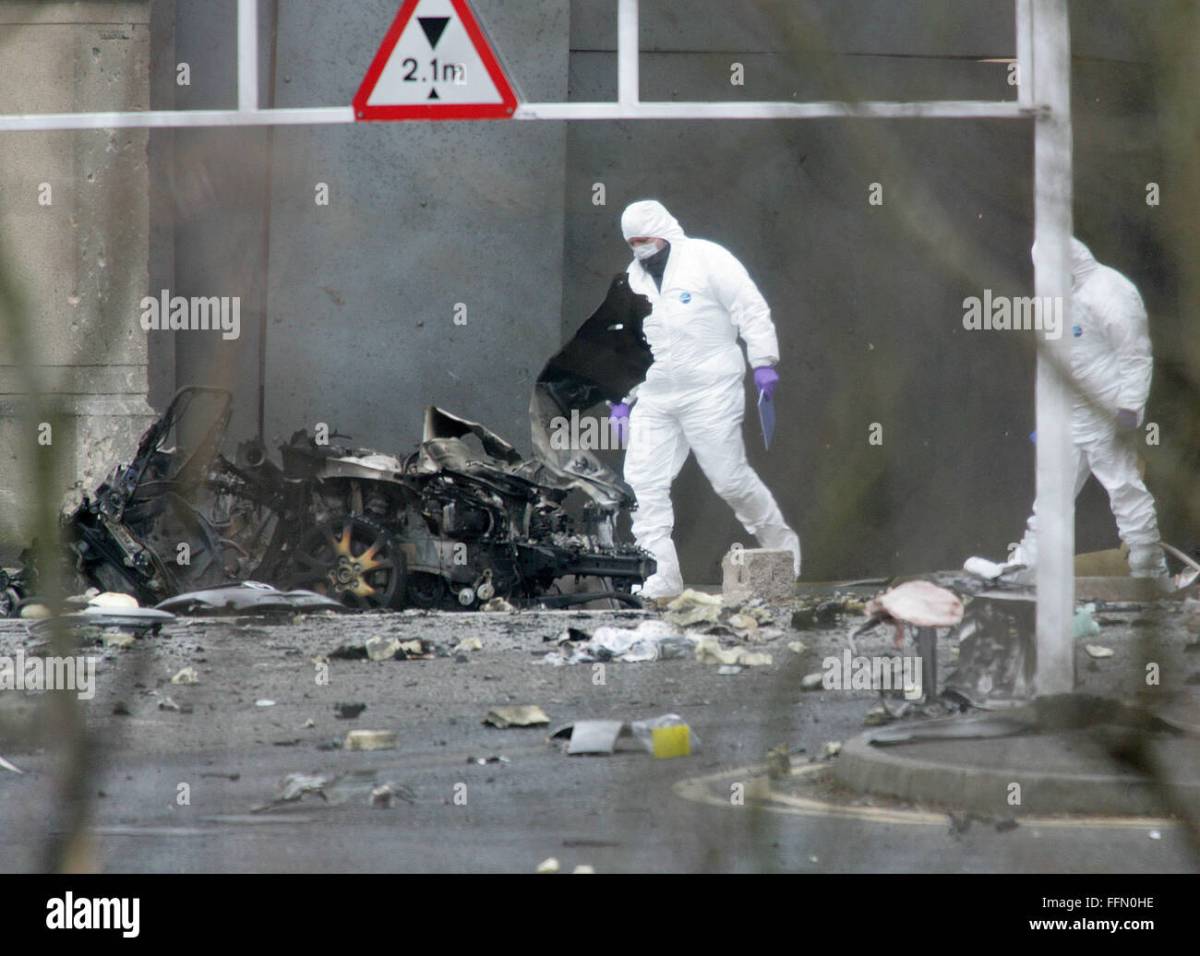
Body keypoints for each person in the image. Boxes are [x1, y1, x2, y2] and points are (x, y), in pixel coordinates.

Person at [609, 199, 801, 599]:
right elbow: (628, 344)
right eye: (633, 243)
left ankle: (782, 551)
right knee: (643, 483)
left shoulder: (707, 259)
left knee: (730, 479)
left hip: (709, 390)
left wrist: (762, 360)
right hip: (657, 397)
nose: (640, 249)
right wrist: (620, 397)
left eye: (645, 240)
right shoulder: (632, 278)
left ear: (664, 232)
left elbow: (748, 307)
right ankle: (662, 577)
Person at [1008, 237, 1168, 578]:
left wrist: (1129, 410)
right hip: (1071, 419)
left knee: (1124, 491)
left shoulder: (1109, 291)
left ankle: (1150, 572)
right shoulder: (1058, 300)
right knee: (1051, 498)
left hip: (1106, 415)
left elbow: (1135, 355)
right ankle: (1024, 569)